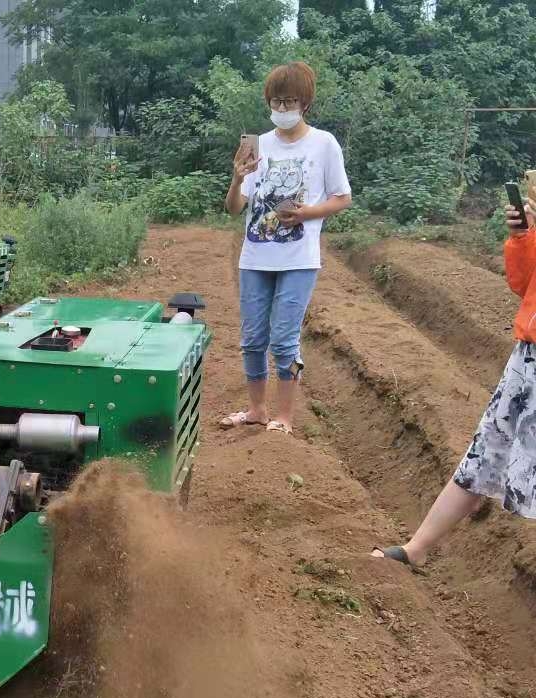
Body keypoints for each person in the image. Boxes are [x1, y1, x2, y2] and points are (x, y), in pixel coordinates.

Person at [373, 196, 536, 569]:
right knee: (484, 453)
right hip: (528, 357)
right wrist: (524, 237)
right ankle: (417, 548)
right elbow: (526, 285)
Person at [221, 61, 352, 435]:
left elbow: (342, 198)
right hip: (255, 257)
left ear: (305, 103)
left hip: (298, 259)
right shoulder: (259, 145)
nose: (282, 110)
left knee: (283, 338)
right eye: (276, 102)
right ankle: (256, 410)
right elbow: (234, 209)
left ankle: (285, 418)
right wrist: (237, 178)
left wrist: (308, 213)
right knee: (252, 339)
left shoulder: (323, 144)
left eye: (289, 101)